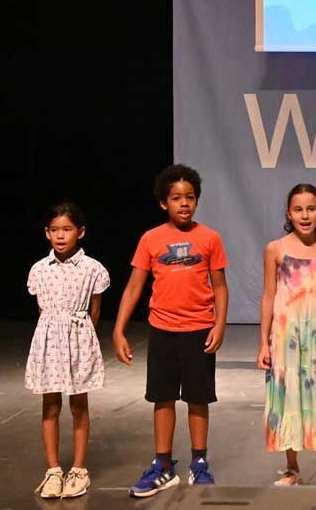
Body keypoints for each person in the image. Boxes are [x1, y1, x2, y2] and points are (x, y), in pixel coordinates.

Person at [113, 164, 229, 498]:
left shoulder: (210, 238)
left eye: (190, 197)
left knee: (198, 397)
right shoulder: (151, 238)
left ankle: (200, 462)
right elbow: (135, 286)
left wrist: (219, 324)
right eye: (176, 198)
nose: (184, 203)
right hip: (162, 331)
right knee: (162, 397)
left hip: (199, 330)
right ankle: (163, 465)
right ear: (164, 203)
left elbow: (220, 287)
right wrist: (119, 330)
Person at [258, 184, 316, 487]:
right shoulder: (275, 248)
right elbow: (268, 296)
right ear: (288, 213)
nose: (305, 215)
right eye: (298, 209)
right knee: (288, 395)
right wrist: (263, 343)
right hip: (285, 333)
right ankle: (292, 467)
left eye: (311, 208)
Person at [26, 202, 110, 499]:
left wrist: (82, 339)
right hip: (49, 341)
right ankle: (52, 470)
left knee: (78, 406)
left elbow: (95, 311)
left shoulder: (93, 269)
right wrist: (53, 335)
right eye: (54, 230)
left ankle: (78, 469)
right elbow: (41, 311)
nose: (61, 236)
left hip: (79, 339)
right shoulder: (38, 270)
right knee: (50, 405)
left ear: (81, 232)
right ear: (47, 233)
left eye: (67, 229)